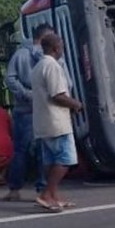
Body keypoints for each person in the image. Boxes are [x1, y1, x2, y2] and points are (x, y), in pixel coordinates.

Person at [31, 33, 82, 212]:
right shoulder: (52, 66)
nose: (63, 50)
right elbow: (57, 94)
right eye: (61, 46)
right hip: (56, 122)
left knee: (51, 160)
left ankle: (53, 195)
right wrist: (76, 104)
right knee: (66, 159)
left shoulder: (38, 66)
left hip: (43, 121)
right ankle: (46, 194)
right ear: (55, 48)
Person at [2, 23, 52, 201]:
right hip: (38, 110)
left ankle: (15, 189)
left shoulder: (21, 54)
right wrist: (33, 95)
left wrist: (25, 95)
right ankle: (42, 189)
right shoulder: (45, 56)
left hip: (26, 110)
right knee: (41, 151)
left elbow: (10, 78)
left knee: (22, 151)